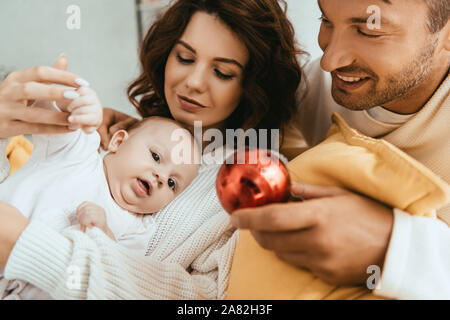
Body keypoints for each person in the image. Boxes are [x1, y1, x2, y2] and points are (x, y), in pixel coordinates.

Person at [0, 0, 303, 299]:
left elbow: (205, 300)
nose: (193, 82)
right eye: (185, 57)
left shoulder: (257, 180)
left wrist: (28, 248)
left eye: (222, 72)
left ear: (253, 85)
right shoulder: (121, 131)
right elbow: (32, 175)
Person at [231, 0, 450, 299]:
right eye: (326, 20)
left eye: (368, 30)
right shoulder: (310, 89)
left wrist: (389, 244)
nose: (329, 60)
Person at [0, 86, 200, 299]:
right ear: (118, 142)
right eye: (156, 157)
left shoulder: (138, 230)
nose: (160, 177)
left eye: (172, 183)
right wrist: (75, 103)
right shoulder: (79, 151)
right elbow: (55, 116)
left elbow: (114, 272)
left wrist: (103, 232)